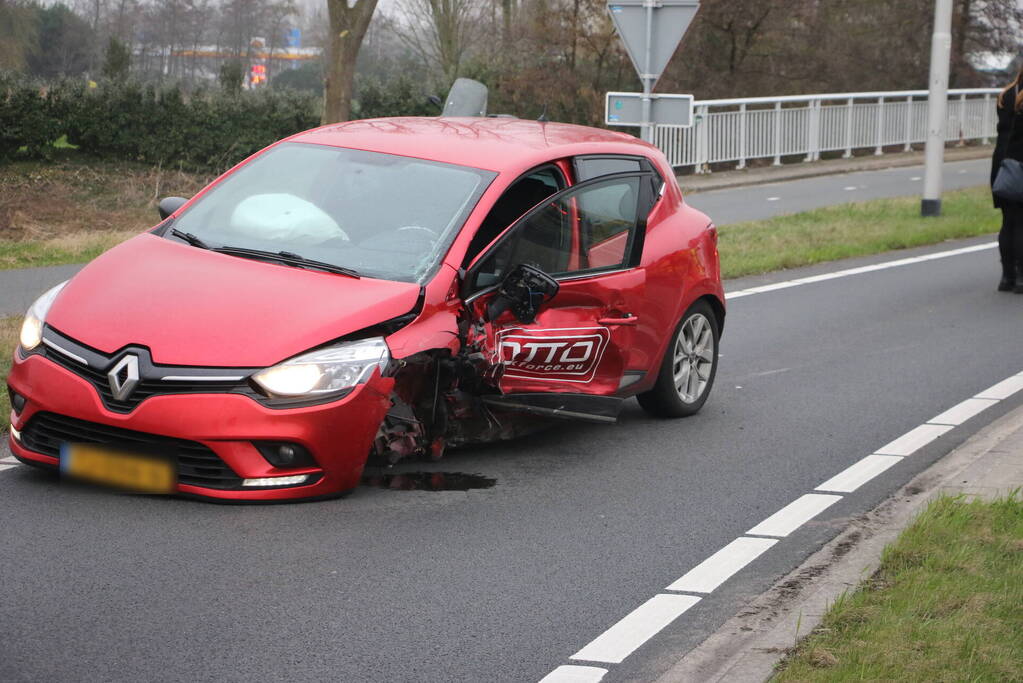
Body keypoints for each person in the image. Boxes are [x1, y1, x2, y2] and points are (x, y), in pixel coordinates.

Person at [993, 67, 1023, 293]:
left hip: (1002, 163)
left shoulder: (1005, 95)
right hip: (1020, 163)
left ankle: (1007, 276)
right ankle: (1021, 277)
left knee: (1008, 221)